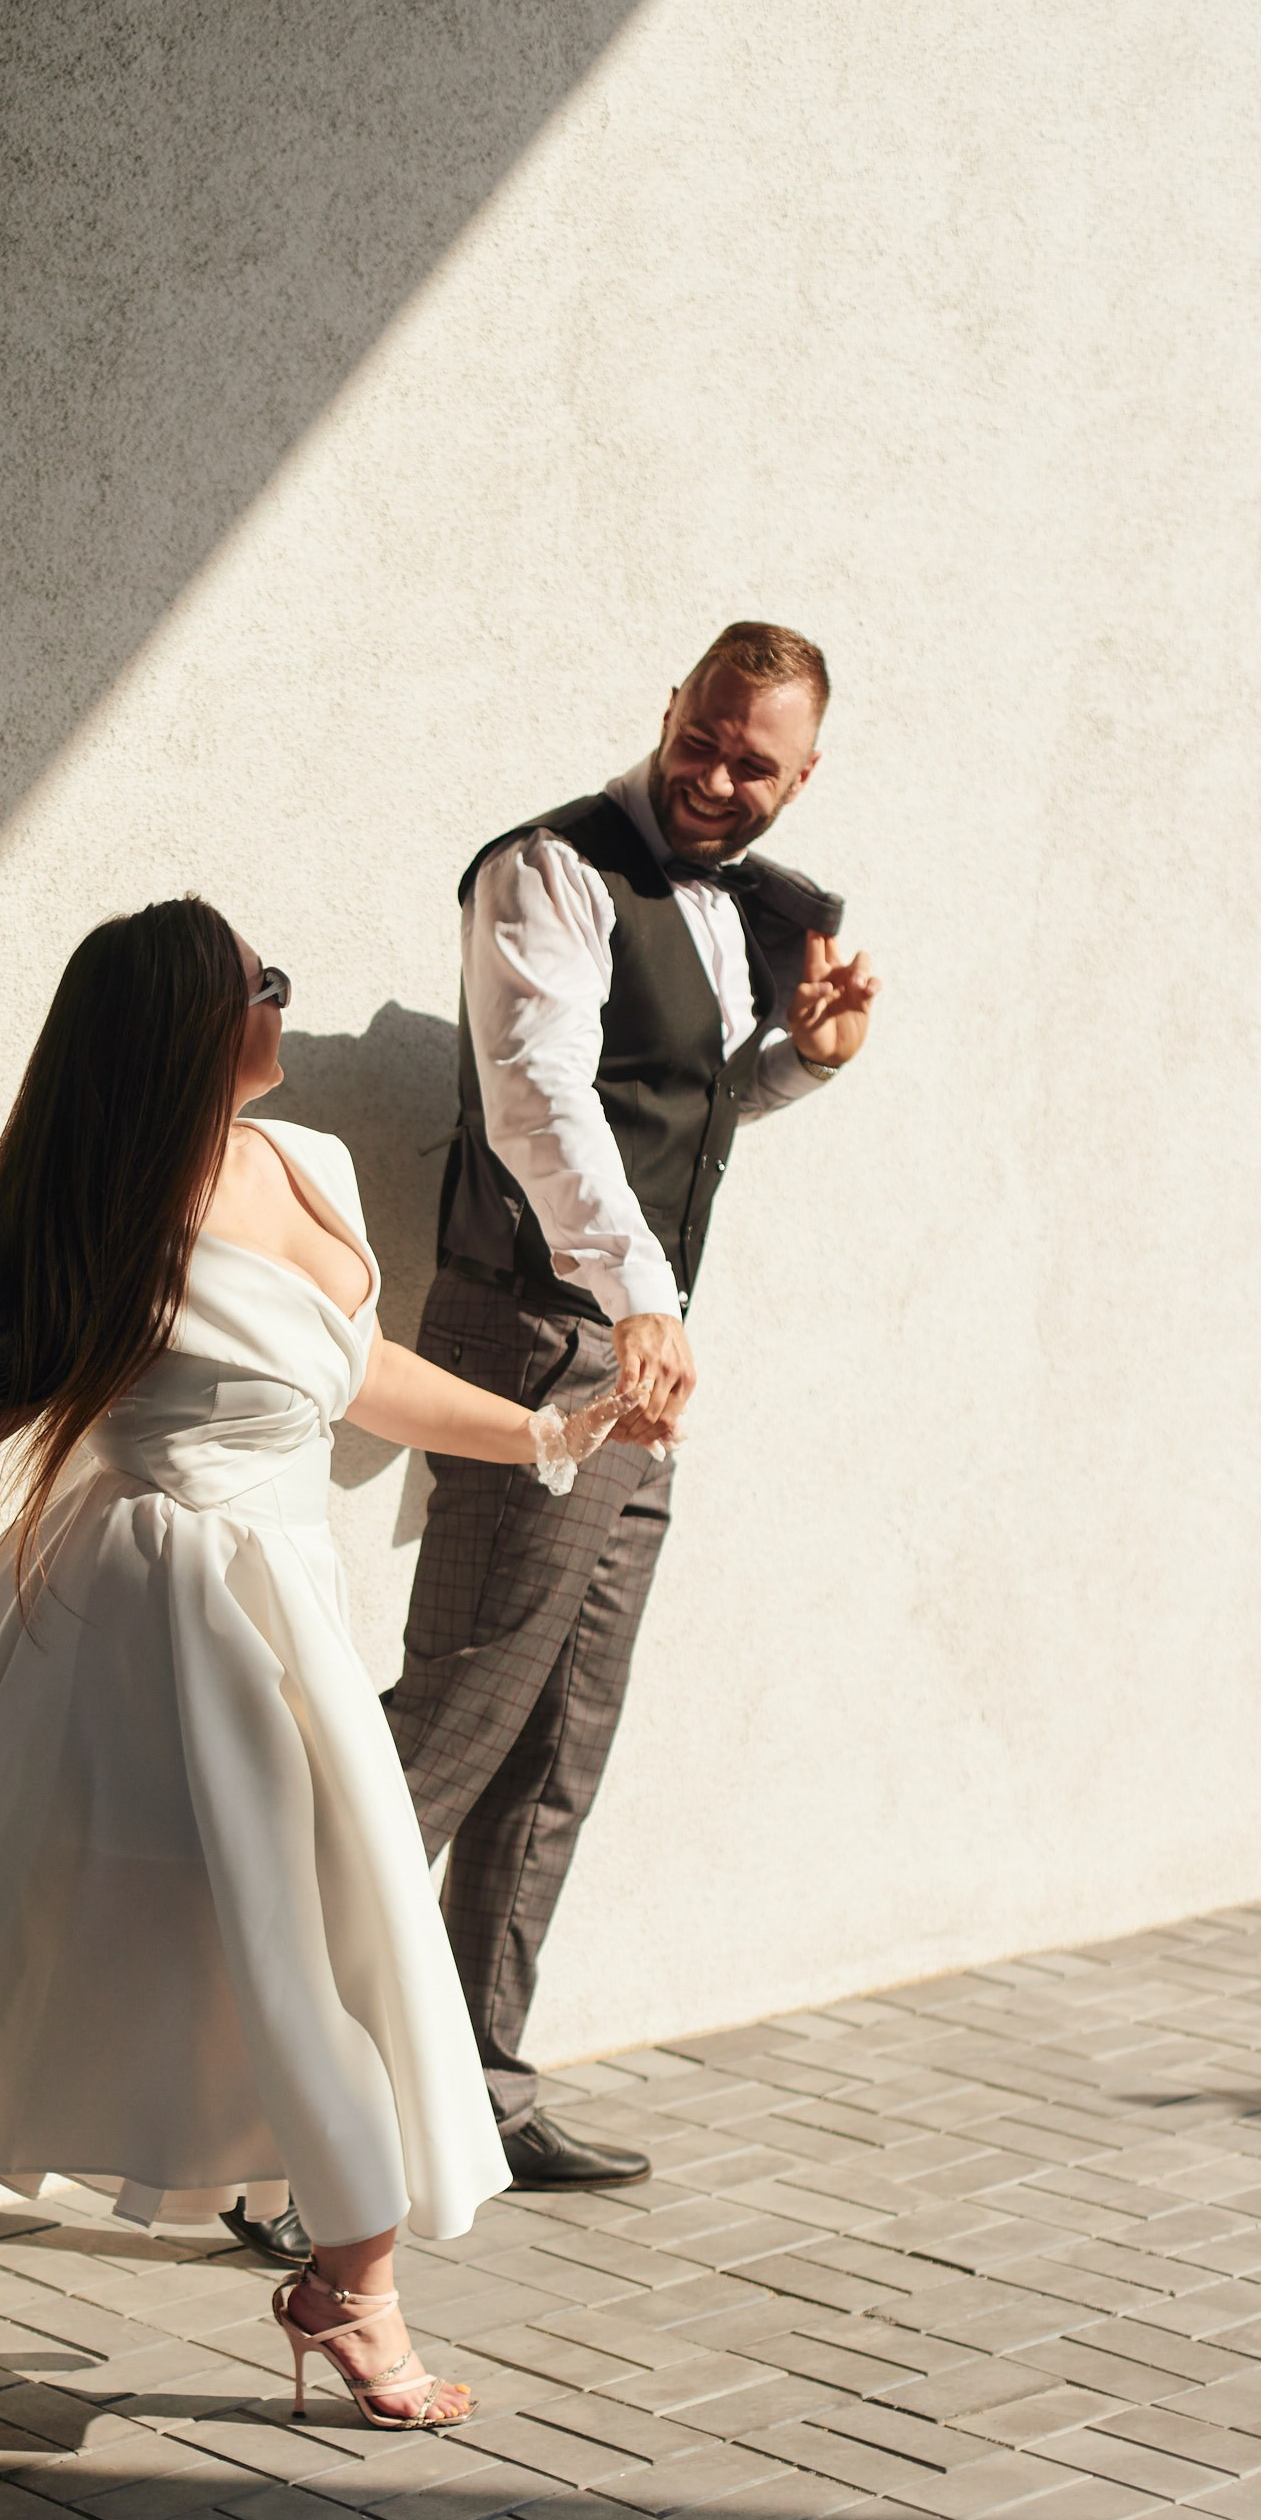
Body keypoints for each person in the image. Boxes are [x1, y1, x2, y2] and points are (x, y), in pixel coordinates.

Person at [0, 899, 651, 2430]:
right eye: (261, 988)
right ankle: (339, 2295)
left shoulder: (314, 1165)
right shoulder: (102, 1222)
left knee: (256, 1954)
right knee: (53, 1965)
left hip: (275, 1622)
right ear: (188, 1033)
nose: (283, 1003)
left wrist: (546, 1431)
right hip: (148, 1636)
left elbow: (354, 1372)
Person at [384, 622, 881, 2193]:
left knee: (562, 1736)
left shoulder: (746, 908)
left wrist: (805, 1065)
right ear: (671, 710)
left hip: (632, 1355)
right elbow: (540, 1100)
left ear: (807, 773)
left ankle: (481, 2082)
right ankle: (284, 2118)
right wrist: (637, 1298)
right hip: (541, 1334)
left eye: (758, 762)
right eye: (706, 739)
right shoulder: (547, 869)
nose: (720, 777)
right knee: (459, 1720)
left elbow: (679, 1101)